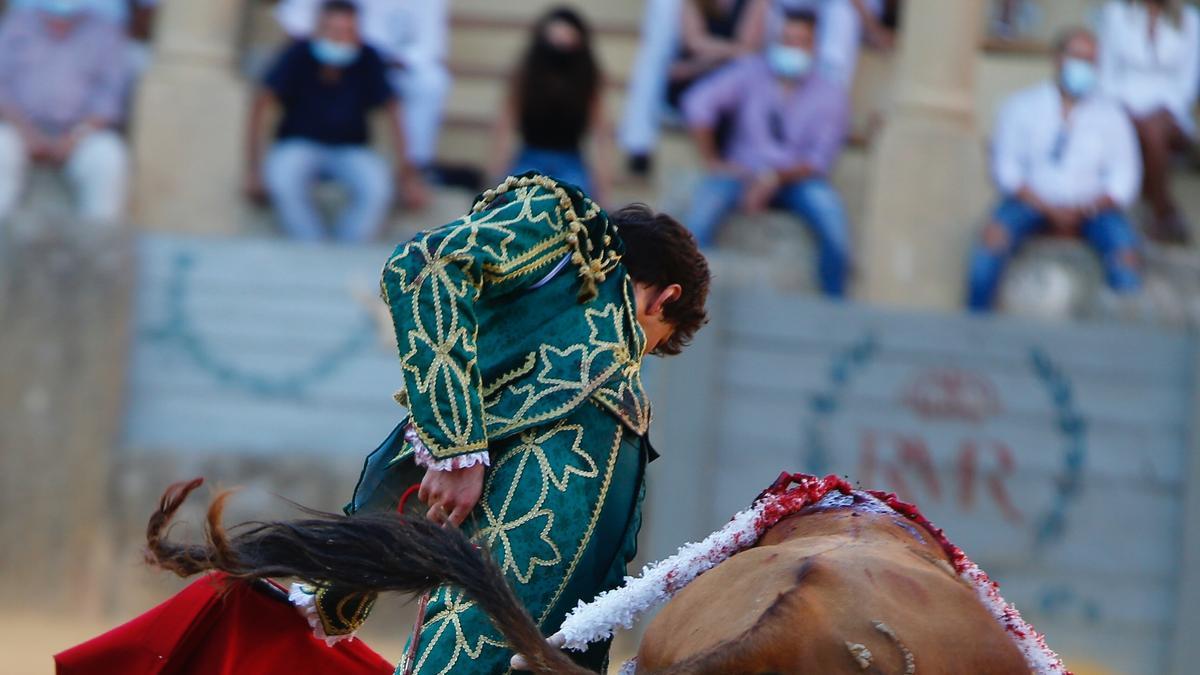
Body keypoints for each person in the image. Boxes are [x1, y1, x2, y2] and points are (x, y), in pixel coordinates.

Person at [133, 172, 711, 674]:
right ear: (664, 298)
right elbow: (428, 266)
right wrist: (457, 448)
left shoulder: (568, 333)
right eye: (656, 342)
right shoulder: (564, 233)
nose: (638, 360)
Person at [967, 28, 1142, 312]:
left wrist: (1084, 209)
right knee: (991, 238)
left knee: (1126, 253)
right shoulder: (1021, 106)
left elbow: (1125, 180)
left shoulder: (1112, 115)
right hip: (1032, 202)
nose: (1084, 66)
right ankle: (974, 330)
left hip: (1093, 210)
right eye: (1078, 57)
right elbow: (1006, 170)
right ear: (1058, 59)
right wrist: (1048, 208)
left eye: (1091, 61)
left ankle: (1122, 345)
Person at [682, 9, 852, 298]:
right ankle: (687, 301)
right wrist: (712, 160)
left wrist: (772, 178)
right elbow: (697, 104)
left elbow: (818, 161)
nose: (792, 47)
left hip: (796, 178)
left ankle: (833, 309)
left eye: (800, 41)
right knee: (698, 218)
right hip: (742, 171)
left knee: (833, 223)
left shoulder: (831, 93)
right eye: (786, 39)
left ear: (814, 46)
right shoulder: (751, 72)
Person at [245, 0, 428, 243]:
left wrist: (407, 176)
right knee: (282, 178)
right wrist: (254, 170)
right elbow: (262, 104)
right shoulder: (297, 54)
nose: (341, 39)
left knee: (377, 186)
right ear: (318, 29)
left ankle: (346, 251)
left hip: (351, 150)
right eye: (333, 31)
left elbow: (394, 112)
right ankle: (311, 249)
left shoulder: (368, 57)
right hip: (298, 145)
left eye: (348, 32)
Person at [275, 0, 450, 172]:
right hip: (328, 57)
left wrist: (390, 61)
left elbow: (429, 45)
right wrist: (333, 39)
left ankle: (414, 168)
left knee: (430, 82)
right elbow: (295, 17)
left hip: (389, 64)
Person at [0, 0, 130, 225]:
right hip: (20, 128)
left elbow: (109, 98)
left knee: (109, 158)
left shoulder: (104, 31)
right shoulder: (17, 23)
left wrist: (74, 138)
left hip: (80, 134)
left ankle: (96, 247)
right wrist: (26, 132)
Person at [620, 0, 769, 175]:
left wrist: (697, 66)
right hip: (701, 78)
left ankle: (735, 163)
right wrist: (724, 56)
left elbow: (748, 49)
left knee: (732, 84)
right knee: (699, 100)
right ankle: (715, 163)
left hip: (720, 75)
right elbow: (696, 42)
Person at [1098, 0, 1199, 244]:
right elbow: (1106, 72)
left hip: (1169, 111)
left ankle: (1161, 212)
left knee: (1154, 131)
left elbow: (1189, 81)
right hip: (1122, 107)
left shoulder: (1190, 19)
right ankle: (1165, 212)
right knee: (1149, 132)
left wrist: (1167, 110)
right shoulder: (1116, 14)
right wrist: (1126, 109)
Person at [489, 7, 613, 204]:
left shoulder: (587, 78)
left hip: (571, 161)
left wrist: (603, 189)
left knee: (576, 205)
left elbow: (601, 135)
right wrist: (495, 179)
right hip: (529, 158)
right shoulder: (525, 75)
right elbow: (505, 127)